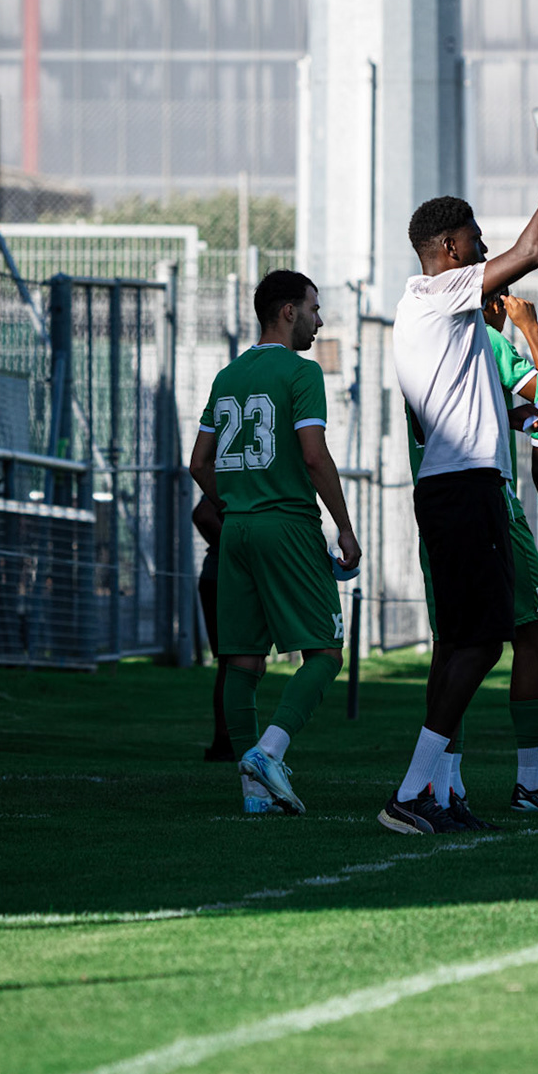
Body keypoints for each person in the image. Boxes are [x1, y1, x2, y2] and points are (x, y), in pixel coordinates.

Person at [383, 132, 538, 835]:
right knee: (483, 642)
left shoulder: (444, 313)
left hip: (456, 488)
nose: (484, 247)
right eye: (474, 239)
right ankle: (414, 790)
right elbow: (531, 253)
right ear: (447, 248)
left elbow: (534, 405)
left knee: (462, 644)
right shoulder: (437, 294)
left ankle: (438, 792)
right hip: (466, 490)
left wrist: (525, 340)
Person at [403, 290, 538, 822]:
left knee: (450, 644)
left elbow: (489, 407)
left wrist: (518, 419)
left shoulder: (422, 341)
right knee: (525, 635)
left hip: (434, 503)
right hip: (489, 507)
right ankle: (529, 781)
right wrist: (529, 328)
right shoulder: (485, 338)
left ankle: (444, 783)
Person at [186, 270, 361, 815]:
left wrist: (237, 500)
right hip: (287, 525)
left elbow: (198, 464)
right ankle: (269, 752)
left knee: (242, 664)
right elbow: (313, 455)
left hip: (235, 530)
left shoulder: (227, 375)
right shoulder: (301, 372)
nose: (319, 318)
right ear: (288, 311)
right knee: (326, 653)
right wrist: (346, 528)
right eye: (313, 307)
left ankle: (254, 795)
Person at [193, 495, 235, 764]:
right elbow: (203, 514)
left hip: (229, 577)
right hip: (225, 578)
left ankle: (231, 741)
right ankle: (226, 742)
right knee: (235, 664)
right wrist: (236, 547)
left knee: (245, 664)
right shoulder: (232, 467)